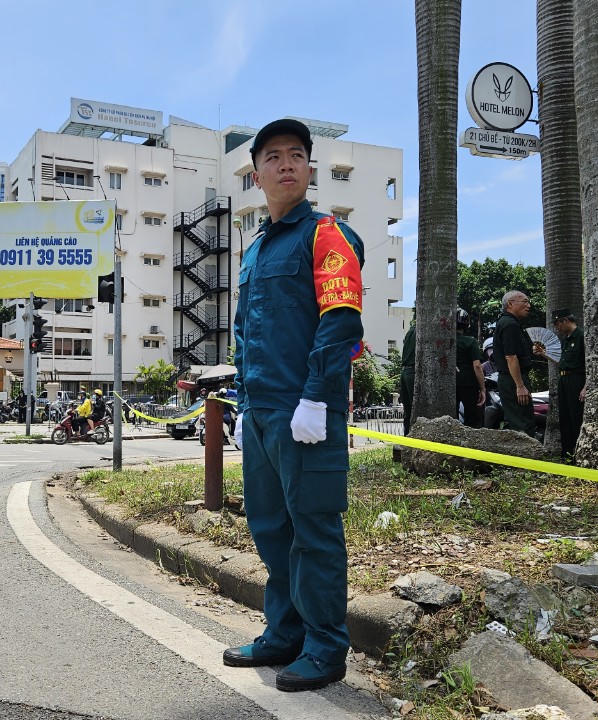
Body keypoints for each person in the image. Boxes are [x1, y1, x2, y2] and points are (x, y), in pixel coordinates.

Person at [225, 118, 364, 692]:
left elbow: (340, 322)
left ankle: (326, 646)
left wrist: (314, 398)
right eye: (273, 156)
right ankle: (283, 632)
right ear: (256, 175)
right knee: (270, 529)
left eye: (297, 155)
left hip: (305, 413)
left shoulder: (328, 234)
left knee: (314, 530)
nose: (286, 164)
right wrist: (242, 403)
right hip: (261, 413)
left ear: (309, 169)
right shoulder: (256, 248)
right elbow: (243, 330)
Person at [492, 291, 536, 435]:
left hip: (512, 379)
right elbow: (511, 357)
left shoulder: (510, 323)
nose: (528, 306)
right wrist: (520, 386)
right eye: (525, 301)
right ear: (510, 304)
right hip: (513, 380)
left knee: (521, 420)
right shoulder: (510, 324)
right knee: (522, 423)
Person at [547, 309, 585, 458]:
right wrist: (544, 354)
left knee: (576, 418)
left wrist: (586, 387)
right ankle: (567, 455)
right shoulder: (566, 339)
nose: (557, 329)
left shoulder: (581, 336)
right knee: (565, 419)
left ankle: (578, 454)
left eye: (557, 325)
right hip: (564, 381)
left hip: (577, 380)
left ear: (564, 321)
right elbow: (563, 362)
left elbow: (589, 362)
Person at [454, 309, 484, 428]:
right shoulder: (471, 342)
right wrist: (482, 388)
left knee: (452, 417)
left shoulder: (445, 342)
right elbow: (477, 366)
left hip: (450, 384)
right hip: (469, 384)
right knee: (472, 418)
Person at [399, 320, 415, 432]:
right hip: (412, 371)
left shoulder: (410, 331)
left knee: (407, 410)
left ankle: (406, 437)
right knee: (415, 409)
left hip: (404, 371)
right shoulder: (422, 331)